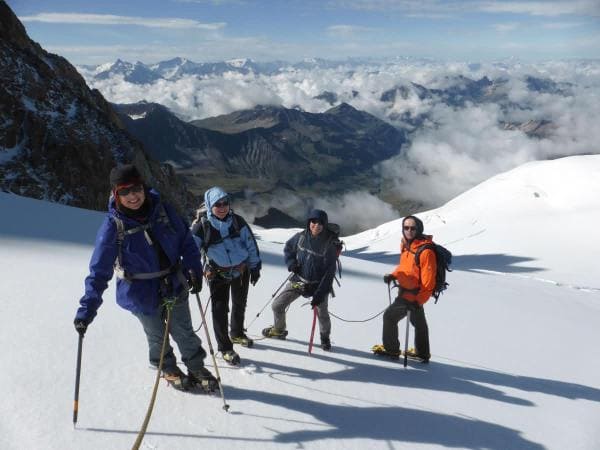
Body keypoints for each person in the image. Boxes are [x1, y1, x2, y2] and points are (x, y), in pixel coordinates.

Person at [74, 164, 218, 392]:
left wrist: (193, 268)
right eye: (124, 191)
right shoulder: (113, 227)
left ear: (143, 187)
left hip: (174, 284)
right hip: (140, 293)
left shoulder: (163, 211)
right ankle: (168, 368)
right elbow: (99, 272)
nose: (132, 196)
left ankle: (196, 367)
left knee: (184, 331)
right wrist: (86, 310)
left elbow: (186, 242)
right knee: (157, 336)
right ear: (115, 194)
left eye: (136, 189)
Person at [191, 187, 261, 366]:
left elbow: (250, 244)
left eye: (225, 203)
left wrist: (255, 266)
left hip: (241, 270)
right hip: (217, 274)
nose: (222, 207)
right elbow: (191, 252)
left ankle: (236, 333)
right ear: (209, 206)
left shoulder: (238, 221)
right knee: (220, 310)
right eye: (217, 204)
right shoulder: (202, 227)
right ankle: (225, 348)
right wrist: (193, 272)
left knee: (239, 303)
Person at [262, 209, 337, 351]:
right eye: (314, 221)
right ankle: (279, 330)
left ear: (324, 225)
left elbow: (329, 274)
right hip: (299, 280)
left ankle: (325, 339)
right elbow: (288, 249)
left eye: (321, 223)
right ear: (309, 222)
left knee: (322, 313)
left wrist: (319, 294)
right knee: (277, 305)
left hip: (318, 285)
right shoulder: (301, 237)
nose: (317, 225)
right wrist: (291, 264)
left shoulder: (329, 245)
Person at [376, 215, 435, 363]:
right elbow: (405, 267)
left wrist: (418, 301)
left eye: (412, 228)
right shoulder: (406, 245)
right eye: (406, 227)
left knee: (389, 317)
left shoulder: (425, 252)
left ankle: (392, 350)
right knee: (419, 323)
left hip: (411, 296)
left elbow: (429, 283)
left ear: (419, 229)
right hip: (409, 293)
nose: (408, 230)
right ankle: (422, 353)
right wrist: (393, 275)